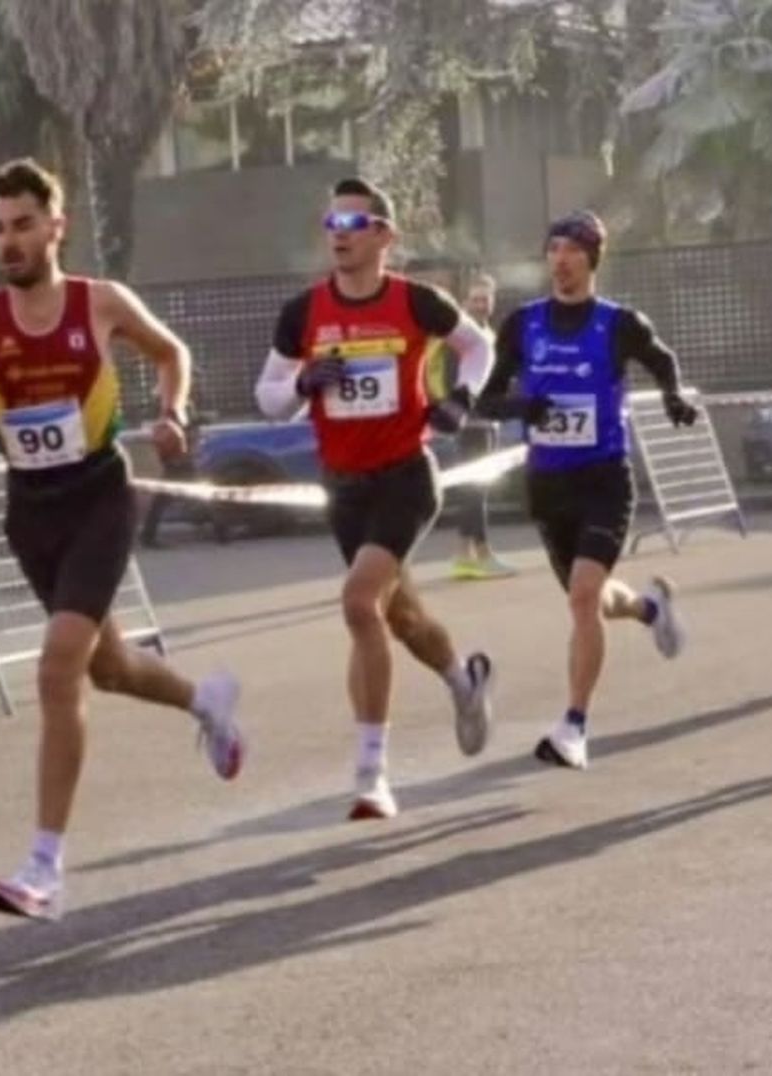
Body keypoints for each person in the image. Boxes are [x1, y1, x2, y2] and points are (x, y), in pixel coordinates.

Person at [0, 159, 244, 920]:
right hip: (29, 511)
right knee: (106, 667)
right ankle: (206, 700)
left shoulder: (100, 303)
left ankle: (45, 866)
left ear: (56, 227)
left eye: (23, 225)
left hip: (99, 498)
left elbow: (172, 354)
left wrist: (173, 413)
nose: (9, 241)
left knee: (57, 667)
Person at [255, 177, 496, 821]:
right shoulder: (302, 313)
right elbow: (269, 396)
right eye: (332, 222)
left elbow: (480, 346)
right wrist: (305, 380)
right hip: (344, 484)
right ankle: (461, 680)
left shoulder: (417, 302)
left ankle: (371, 775)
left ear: (385, 236)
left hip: (405, 477)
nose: (339, 234)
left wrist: (459, 399)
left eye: (354, 225)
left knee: (359, 604)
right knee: (399, 618)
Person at [479, 211, 695, 771]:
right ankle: (651, 608)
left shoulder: (618, 322)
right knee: (592, 602)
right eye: (553, 248)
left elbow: (663, 360)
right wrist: (525, 406)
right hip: (548, 484)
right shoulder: (522, 325)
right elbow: (487, 399)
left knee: (580, 597)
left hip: (604, 479)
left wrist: (673, 396)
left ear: (592, 259)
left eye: (573, 249)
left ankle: (574, 725)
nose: (561, 259)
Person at [426, 273, 519, 581]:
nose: (481, 304)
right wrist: (465, 411)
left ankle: (474, 553)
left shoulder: (486, 332)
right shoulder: (461, 338)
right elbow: (460, 383)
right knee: (475, 489)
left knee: (479, 488)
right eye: (476, 298)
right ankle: (473, 554)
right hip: (472, 423)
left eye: (486, 298)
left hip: (487, 421)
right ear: (465, 301)